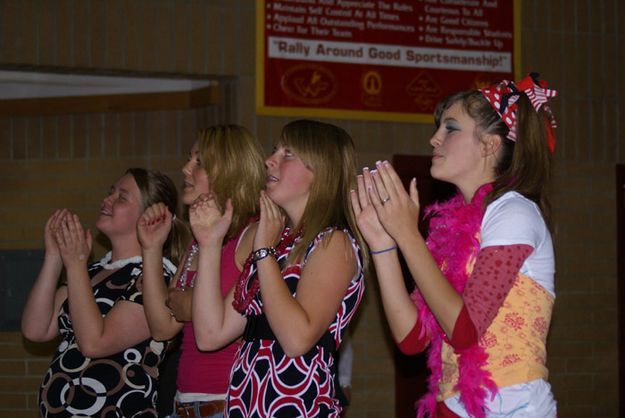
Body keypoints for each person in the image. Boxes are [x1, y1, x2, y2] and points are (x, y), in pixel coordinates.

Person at [352, 73, 558, 417]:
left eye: (450, 128)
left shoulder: (515, 211)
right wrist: (383, 244)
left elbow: (465, 332)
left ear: (490, 145)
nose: (434, 139)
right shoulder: (452, 228)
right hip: (454, 408)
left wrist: (407, 235)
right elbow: (412, 337)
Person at [189, 119, 367, 418]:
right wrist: (209, 245)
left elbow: (297, 339)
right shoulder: (277, 243)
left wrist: (263, 252)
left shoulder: (333, 241)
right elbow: (210, 333)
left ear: (320, 172)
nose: (269, 160)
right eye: (275, 151)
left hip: (296, 407)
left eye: (287, 154)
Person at [21, 168, 184, 417]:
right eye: (110, 192)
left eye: (121, 197)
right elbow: (37, 329)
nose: (106, 200)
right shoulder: (93, 271)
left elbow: (95, 343)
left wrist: (75, 265)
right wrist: (55, 258)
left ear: (150, 215)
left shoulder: (155, 278)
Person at [137, 125, 266, 418]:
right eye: (189, 159)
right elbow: (163, 327)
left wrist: (188, 302)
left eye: (199, 162)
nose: (185, 169)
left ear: (229, 171)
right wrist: (151, 249)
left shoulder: (254, 233)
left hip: (230, 402)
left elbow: (225, 321)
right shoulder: (199, 240)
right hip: (184, 403)